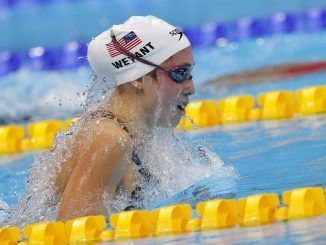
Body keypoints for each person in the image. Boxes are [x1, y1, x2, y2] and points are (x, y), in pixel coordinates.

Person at [55, 16, 196, 221]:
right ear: (138, 78)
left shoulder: (138, 133)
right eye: (180, 73)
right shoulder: (109, 140)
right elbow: (75, 235)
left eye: (191, 73)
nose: (192, 88)